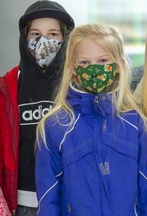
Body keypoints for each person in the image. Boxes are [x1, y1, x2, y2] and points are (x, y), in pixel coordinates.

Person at [35, 24, 147, 215]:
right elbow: (48, 197)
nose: (94, 68)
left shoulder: (136, 122)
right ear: (72, 67)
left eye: (103, 60)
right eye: (85, 62)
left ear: (119, 65)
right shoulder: (55, 126)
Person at [0, 1, 75, 215]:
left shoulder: (76, 84)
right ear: (25, 39)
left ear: (65, 38)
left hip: (68, 202)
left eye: (53, 34)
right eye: (35, 34)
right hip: (22, 205)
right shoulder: (6, 89)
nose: (44, 41)